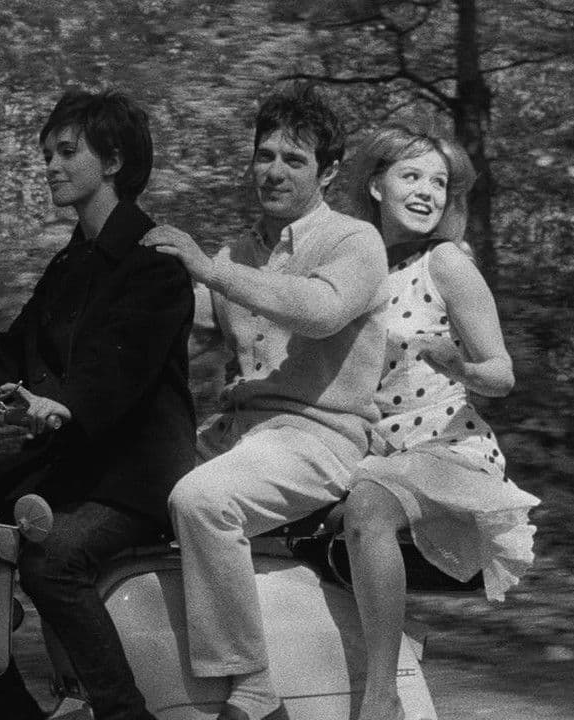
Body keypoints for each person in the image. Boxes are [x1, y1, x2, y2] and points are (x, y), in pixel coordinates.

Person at [0, 89, 196, 720]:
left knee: (52, 560)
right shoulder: (69, 263)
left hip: (134, 476)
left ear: (113, 161)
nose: (50, 165)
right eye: (47, 153)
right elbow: (11, 352)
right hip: (74, 463)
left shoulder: (155, 260)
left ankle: (124, 713)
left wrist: (61, 405)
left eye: (67, 151)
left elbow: (120, 373)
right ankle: (6, 710)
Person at [141, 85, 388, 720]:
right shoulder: (240, 251)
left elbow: (321, 310)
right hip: (237, 433)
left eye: (294, 159)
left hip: (318, 436)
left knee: (202, 500)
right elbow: (177, 328)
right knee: (110, 490)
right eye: (264, 155)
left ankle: (254, 688)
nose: (273, 171)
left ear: (327, 172)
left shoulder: (355, 241)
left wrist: (210, 270)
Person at [336, 123, 540, 720]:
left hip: (445, 444)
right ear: (376, 185)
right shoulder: (351, 266)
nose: (428, 191)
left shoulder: (444, 262)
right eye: (412, 176)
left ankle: (382, 698)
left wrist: (461, 365)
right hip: (369, 445)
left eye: (439, 182)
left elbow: (501, 374)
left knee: (367, 510)